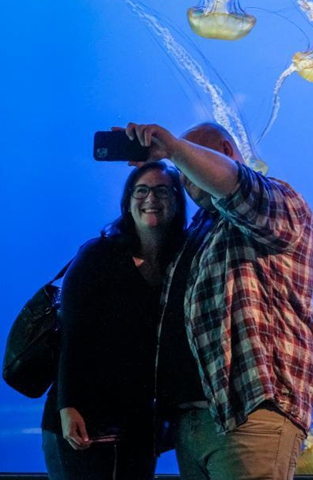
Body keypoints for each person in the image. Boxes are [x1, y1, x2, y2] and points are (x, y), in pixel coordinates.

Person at [125, 121, 313, 480]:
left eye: (189, 166)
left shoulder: (280, 202)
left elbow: (238, 187)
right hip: (194, 422)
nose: (184, 178)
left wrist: (175, 149)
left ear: (225, 152)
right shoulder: (199, 228)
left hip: (250, 413)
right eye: (181, 172)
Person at [42, 161, 187, 479]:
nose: (152, 197)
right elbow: (73, 336)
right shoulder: (97, 256)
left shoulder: (182, 265)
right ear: (127, 201)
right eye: (142, 190)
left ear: (177, 200)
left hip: (136, 424)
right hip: (81, 417)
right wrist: (67, 406)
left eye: (163, 190)